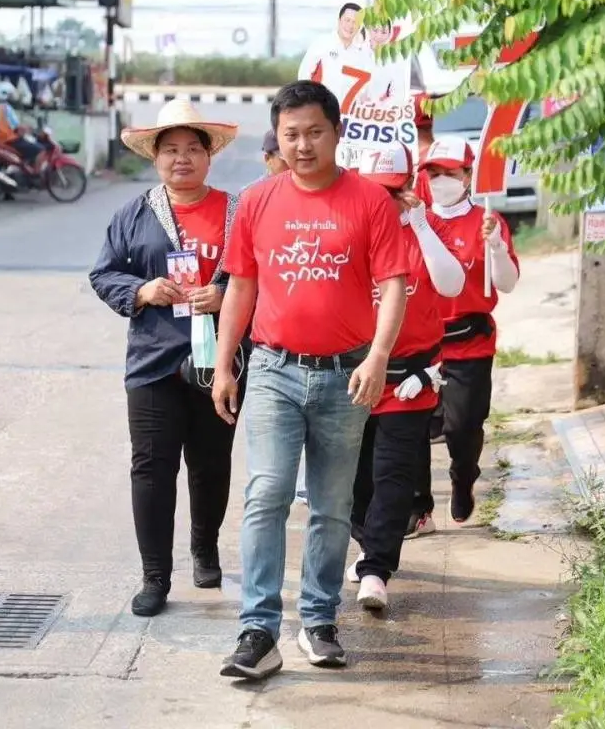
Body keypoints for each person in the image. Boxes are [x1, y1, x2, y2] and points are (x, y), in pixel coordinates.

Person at [212, 80, 409, 679]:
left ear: (337, 133)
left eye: (314, 133)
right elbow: (241, 284)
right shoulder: (256, 202)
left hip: (346, 374)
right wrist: (224, 363)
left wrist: (378, 357)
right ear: (279, 137)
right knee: (267, 493)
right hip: (273, 368)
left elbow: (395, 282)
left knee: (330, 504)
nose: (302, 145)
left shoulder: (370, 202)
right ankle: (258, 629)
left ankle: (319, 622)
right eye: (291, 135)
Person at [89, 100, 242, 617]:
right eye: (171, 150)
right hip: (153, 361)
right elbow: (103, 274)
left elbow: (257, 277)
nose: (182, 159)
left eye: (192, 149)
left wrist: (225, 296)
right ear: (156, 159)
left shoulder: (236, 211)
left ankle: (205, 548)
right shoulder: (133, 214)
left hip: (218, 362)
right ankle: (155, 575)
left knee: (210, 463)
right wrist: (142, 289)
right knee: (151, 469)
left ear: (208, 156)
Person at [346, 143, 464, 610]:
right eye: (377, 191)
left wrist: (418, 226)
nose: (386, 201)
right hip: (355, 377)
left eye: (396, 191)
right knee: (355, 478)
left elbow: (452, 284)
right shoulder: (350, 232)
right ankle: (364, 541)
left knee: (393, 475)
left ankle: (376, 569)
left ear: (410, 188)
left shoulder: (425, 229)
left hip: (409, 378)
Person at [413, 136, 520, 529]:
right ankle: (418, 505)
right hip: (421, 343)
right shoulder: (416, 220)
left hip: (469, 343)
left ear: (468, 174)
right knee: (414, 429)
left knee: (461, 427)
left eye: (450, 173)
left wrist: (495, 248)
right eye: (433, 173)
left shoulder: (487, 221)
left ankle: (463, 478)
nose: (441, 180)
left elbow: (506, 284)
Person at [0, 80, 46, 172]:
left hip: (1, 138)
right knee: (41, 150)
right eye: (10, 94)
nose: (12, 96)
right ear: (5, 94)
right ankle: (35, 174)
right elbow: (16, 127)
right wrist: (31, 130)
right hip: (10, 139)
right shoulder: (7, 108)